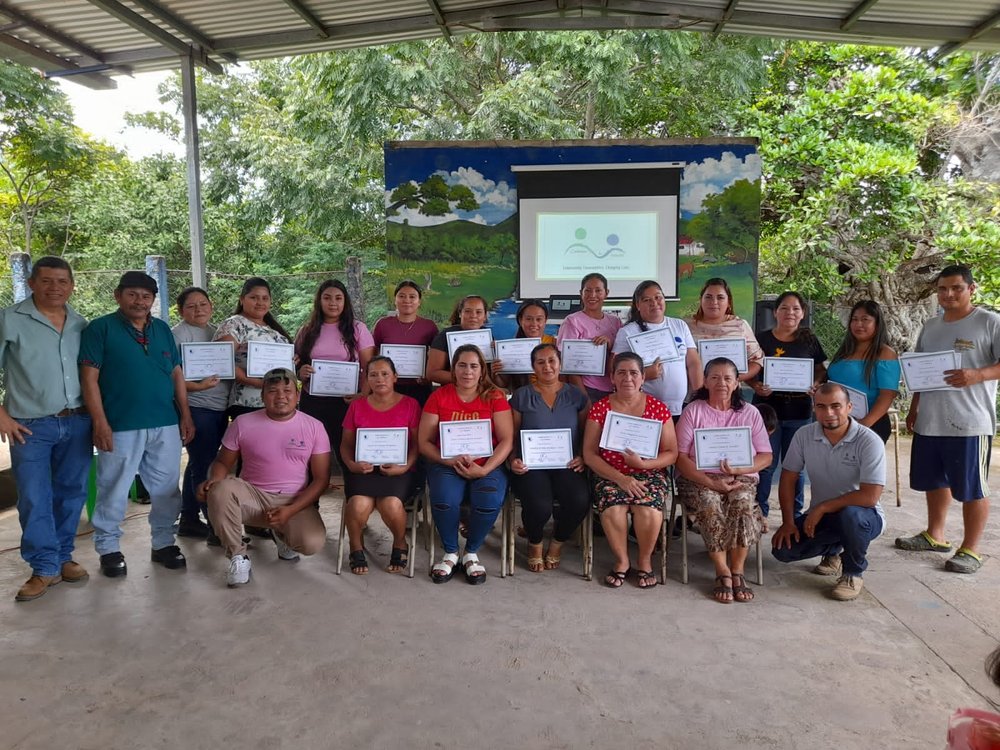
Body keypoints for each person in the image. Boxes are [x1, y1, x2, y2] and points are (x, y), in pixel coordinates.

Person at [79, 271, 195, 577]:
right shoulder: (100, 329)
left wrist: (184, 414)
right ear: (118, 296)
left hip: (165, 422)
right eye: (132, 294)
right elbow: (89, 379)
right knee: (114, 486)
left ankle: (163, 543)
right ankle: (109, 548)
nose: (139, 301)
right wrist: (100, 422)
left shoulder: (162, 330)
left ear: (153, 301)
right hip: (120, 424)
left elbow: (176, 374)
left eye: (146, 296)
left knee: (167, 487)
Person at [896, 264, 1000, 574]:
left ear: (972, 289)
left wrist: (977, 374)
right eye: (943, 289)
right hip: (931, 419)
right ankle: (935, 535)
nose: (949, 294)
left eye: (956, 288)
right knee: (934, 480)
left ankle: (970, 549)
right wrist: (914, 409)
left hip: (970, 422)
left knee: (972, 487)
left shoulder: (989, 322)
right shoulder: (931, 326)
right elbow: (920, 372)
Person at [0, 257, 92, 602]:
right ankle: (43, 567)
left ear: (71, 285)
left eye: (62, 281)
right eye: (47, 281)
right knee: (34, 497)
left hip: (78, 420)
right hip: (30, 426)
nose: (55, 288)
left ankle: (63, 556)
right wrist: (2, 415)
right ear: (31, 282)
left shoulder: (81, 324)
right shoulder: (9, 320)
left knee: (71, 493)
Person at [200, 368, 330, 587]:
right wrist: (215, 478)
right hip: (253, 496)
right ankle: (238, 557)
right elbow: (222, 462)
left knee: (311, 543)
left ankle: (282, 535)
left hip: (293, 500)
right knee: (220, 489)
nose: (280, 396)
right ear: (262, 396)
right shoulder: (243, 423)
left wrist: (290, 510)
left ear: (297, 395)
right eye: (272, 391)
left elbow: (321, 479)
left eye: (287, 390)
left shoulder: (314, 427)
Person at [771, 383, 886, 601]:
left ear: (849, 407)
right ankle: (834, 552)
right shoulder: (804, 435)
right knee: (783, 551)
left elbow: (869, 497)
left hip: (863, 516)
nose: (829, 413)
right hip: (823, 515)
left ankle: (853, 572)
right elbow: (788, 478)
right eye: (821, 407)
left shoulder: (869, 441)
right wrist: (788, 522)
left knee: (850, 516)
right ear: (814, 408)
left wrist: (822, 507)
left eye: (836, 406)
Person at [675, 358, 772, 603]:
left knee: (741, 501)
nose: (722, 383)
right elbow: (680, 457)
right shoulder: (693, 411)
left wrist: (744, 468)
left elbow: (766, 455)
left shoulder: (749, 413)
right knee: (709, 501)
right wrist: (710, 482)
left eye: (728, 378)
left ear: (737, 383)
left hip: (740, 476)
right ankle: (722, 571)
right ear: (705, 382)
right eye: (715, 378)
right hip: (698, 478)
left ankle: (737, 570)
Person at [582, 351, 678, 589]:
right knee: (613, 508)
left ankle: (644, 561)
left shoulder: (658, 408)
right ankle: (622, 561)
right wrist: (621, 478)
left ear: (643, 377)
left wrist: (643, 465)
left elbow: (671, 452)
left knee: (648, 511)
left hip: (649, 472)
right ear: (612, 378)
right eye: (621, 373)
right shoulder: (600, 408)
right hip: (609, 473)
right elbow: (590, 454)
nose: (628, 378)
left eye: (634, 373)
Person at [418, 344, 513, 584]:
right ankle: (450, 552)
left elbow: (506, 440)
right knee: (444, 499)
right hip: (446, 463)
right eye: (462, 365)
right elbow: (424, 442)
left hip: (486, 464)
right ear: (453, 369)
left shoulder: (495, 396)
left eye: (473, 366)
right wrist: (446, 460)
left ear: (482, 370)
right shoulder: (439, 396)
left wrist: (486, 468)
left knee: (489, 500)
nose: (467, 371)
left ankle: (471, 552)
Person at [508, 342, 590, 572]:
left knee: (579, 500)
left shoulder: (576, 395)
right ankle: (534, 542)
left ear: (560, 364)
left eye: (552, 361)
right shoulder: (521, 396)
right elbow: (512, 435)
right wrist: (513, 459)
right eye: (540, 362)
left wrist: (583, 455)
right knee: (540, 505)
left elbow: (586, 432)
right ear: (533, 367)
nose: (547, 367)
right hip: (530, 465)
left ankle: (557, 542)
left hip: (567, 463)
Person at [339, 356, 422, 574]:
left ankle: (400, 542)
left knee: (391, 505)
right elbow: (346, 445)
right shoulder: (357, 406)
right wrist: (351, 465)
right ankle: (355, 545)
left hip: (398, 471)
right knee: (357, 504)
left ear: (395, 377)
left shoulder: (411, 404)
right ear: (367, 379)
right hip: (363, 470)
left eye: (385, 374)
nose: (379, 379)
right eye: (373, 375)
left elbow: (416, 445)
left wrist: (405, 467)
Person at [750, 290, 828, 519]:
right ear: (775, 312)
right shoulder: (761, 339)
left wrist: (814, 383)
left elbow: (821, 368)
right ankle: (758, 512)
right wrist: (755, 385)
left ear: (803, 313)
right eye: (784, 308)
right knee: (764, 464)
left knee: (796, 467)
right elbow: (747, 369)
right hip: (766, 412)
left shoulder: (809, 339)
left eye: (795, 308)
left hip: (799, 411)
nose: (790, 313)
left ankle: (793, 515)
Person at [294, 279, 375, 470]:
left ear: (345, 302)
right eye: (327, 298)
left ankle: (351, 497)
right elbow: (296, 365)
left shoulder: (358, 329)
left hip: (346, 401)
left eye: (338, 298)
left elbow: (369, 366)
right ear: (319, 301)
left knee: (346, 450)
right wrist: (300, 373)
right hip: (313, 400)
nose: (333, 303)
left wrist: (362, 395)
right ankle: (311, 499)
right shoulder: (307, 330)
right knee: (311, 451)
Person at [171, 287, 231, 539]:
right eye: (191, 306)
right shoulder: (176, 334)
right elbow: (170, 377)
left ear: (211, 306)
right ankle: (215, 525)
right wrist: (198, 386)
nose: (199, 310)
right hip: (197, 408)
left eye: (203, 304)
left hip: (219, 408)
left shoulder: (218, 332)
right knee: (206, 465)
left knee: (199, 462)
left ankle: (188, 518)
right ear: (181, 310)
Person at [612, 280, 703, 417]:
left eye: (658, 297)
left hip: (681, 408)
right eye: (647, 300)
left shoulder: (679, 325)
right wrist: (645, 375)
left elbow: (693, 363)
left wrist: (699, 398)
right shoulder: (628, 332)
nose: (654, 303)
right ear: (638, 305)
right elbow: (613, 370)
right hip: (644, 409)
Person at [214, 277, 293, 419]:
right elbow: (220, 361)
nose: (260, 302)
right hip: (247, 403)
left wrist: (292, 361)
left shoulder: (274, 330)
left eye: (265, 298)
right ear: (242, 299)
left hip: (279, 402)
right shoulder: (234, 324)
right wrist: (257, 383)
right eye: (254, 298)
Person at [826, 300, 900, 442]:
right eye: (855, 319)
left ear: (877, 324)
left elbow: (887, 395)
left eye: (865, 319)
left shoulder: (885, 353)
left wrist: (864, 424)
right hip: (838, 423)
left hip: (869, 425)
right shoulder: (845, 351)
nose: (859, 324)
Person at [556, 273, 622, 403]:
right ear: (581, 293)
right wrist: (584, 399)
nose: (592, 295)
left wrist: (610, 343)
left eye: (598, 290)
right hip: (587, 389)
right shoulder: (572, 321)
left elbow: (623, 354)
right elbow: (568, 365)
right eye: (588, 290)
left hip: (615, 388)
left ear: (606, 293)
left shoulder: (616, 322)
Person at [372, 280, 438, 405]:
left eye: (412, 296)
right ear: (395, 300)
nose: (406, 300)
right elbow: (374, 354)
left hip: (419, 388)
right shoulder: (383, 324)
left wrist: (428, 376)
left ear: (419, 302)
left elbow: (436, 357)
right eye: (401, 296)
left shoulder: (429, 326)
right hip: (387, 387)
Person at [685, 277, 764, 383]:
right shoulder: (685, 326)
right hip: (693, 391)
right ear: (701, 300)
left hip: (728, 393)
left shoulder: (740, 325)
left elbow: (757, 360)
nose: (714, 302)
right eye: (708, 297)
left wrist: (730, 380)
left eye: (720, 297)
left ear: (729, 302)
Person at [493, 298, 556, 392]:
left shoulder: (554, 344)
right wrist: (496, 371)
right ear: (520, 320)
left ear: (545, 320)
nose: (534, 324)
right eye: (528, 319)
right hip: (522, 399)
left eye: (539, 319)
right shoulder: (509, 348)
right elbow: (503, 384)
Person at [426, 294, 490, 385]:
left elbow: (488, 374)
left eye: (478, 312)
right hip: (452, 392)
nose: (473, 316)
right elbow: (432, 373)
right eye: (468, 311)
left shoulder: (488, 336)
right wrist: (467, 378)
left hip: (481, 393)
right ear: (460, 313)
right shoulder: (444, 336)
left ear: (485, 315)